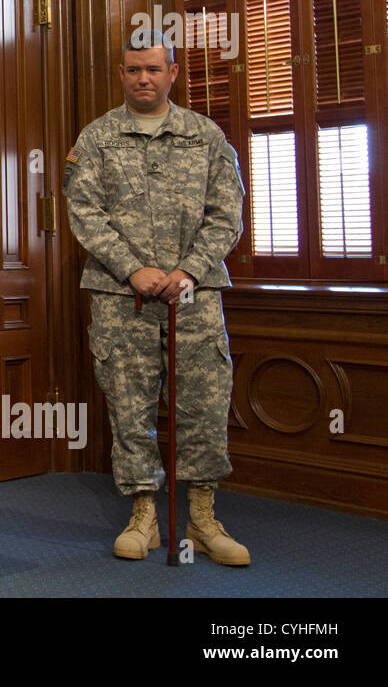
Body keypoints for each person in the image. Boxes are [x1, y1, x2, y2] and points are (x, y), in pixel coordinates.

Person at [63, 29, 250, 566]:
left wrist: (189, 269)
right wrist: (132, 269)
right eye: (132, 70)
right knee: (129, 404)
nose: (143, 78)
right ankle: (143, 515)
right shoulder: (97, 138)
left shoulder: (206, 136)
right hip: (122, 297)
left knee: (204, 404)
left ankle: (203, 515)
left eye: (153, 69)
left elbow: (227, 213)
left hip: (196, 295)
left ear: (172, 73)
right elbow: (84, 212)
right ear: (121, 74)